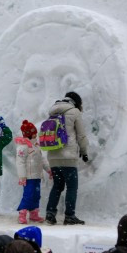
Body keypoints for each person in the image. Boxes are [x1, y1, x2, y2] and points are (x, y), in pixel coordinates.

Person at [43, 92, 88, 226]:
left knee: (57, 186)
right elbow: (81, 135)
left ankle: (50, 214)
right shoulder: (74, 112)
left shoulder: (52, 111)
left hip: (53, 157)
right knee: (72, 187)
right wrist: (84, 151)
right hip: (68, 157)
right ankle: (69, 216)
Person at [15, 120, 50, 224]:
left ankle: (34, 214)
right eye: (34, 133)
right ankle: (22, 214)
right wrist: (22, 177)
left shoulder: (36, 146)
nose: (36, 134)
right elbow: (20, 162)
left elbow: (42, 160)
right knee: (28, 195)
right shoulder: (22, 147)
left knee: (36, 195)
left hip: (37, 176)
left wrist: (48, 169)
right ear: (28, 134)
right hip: (28, 177)